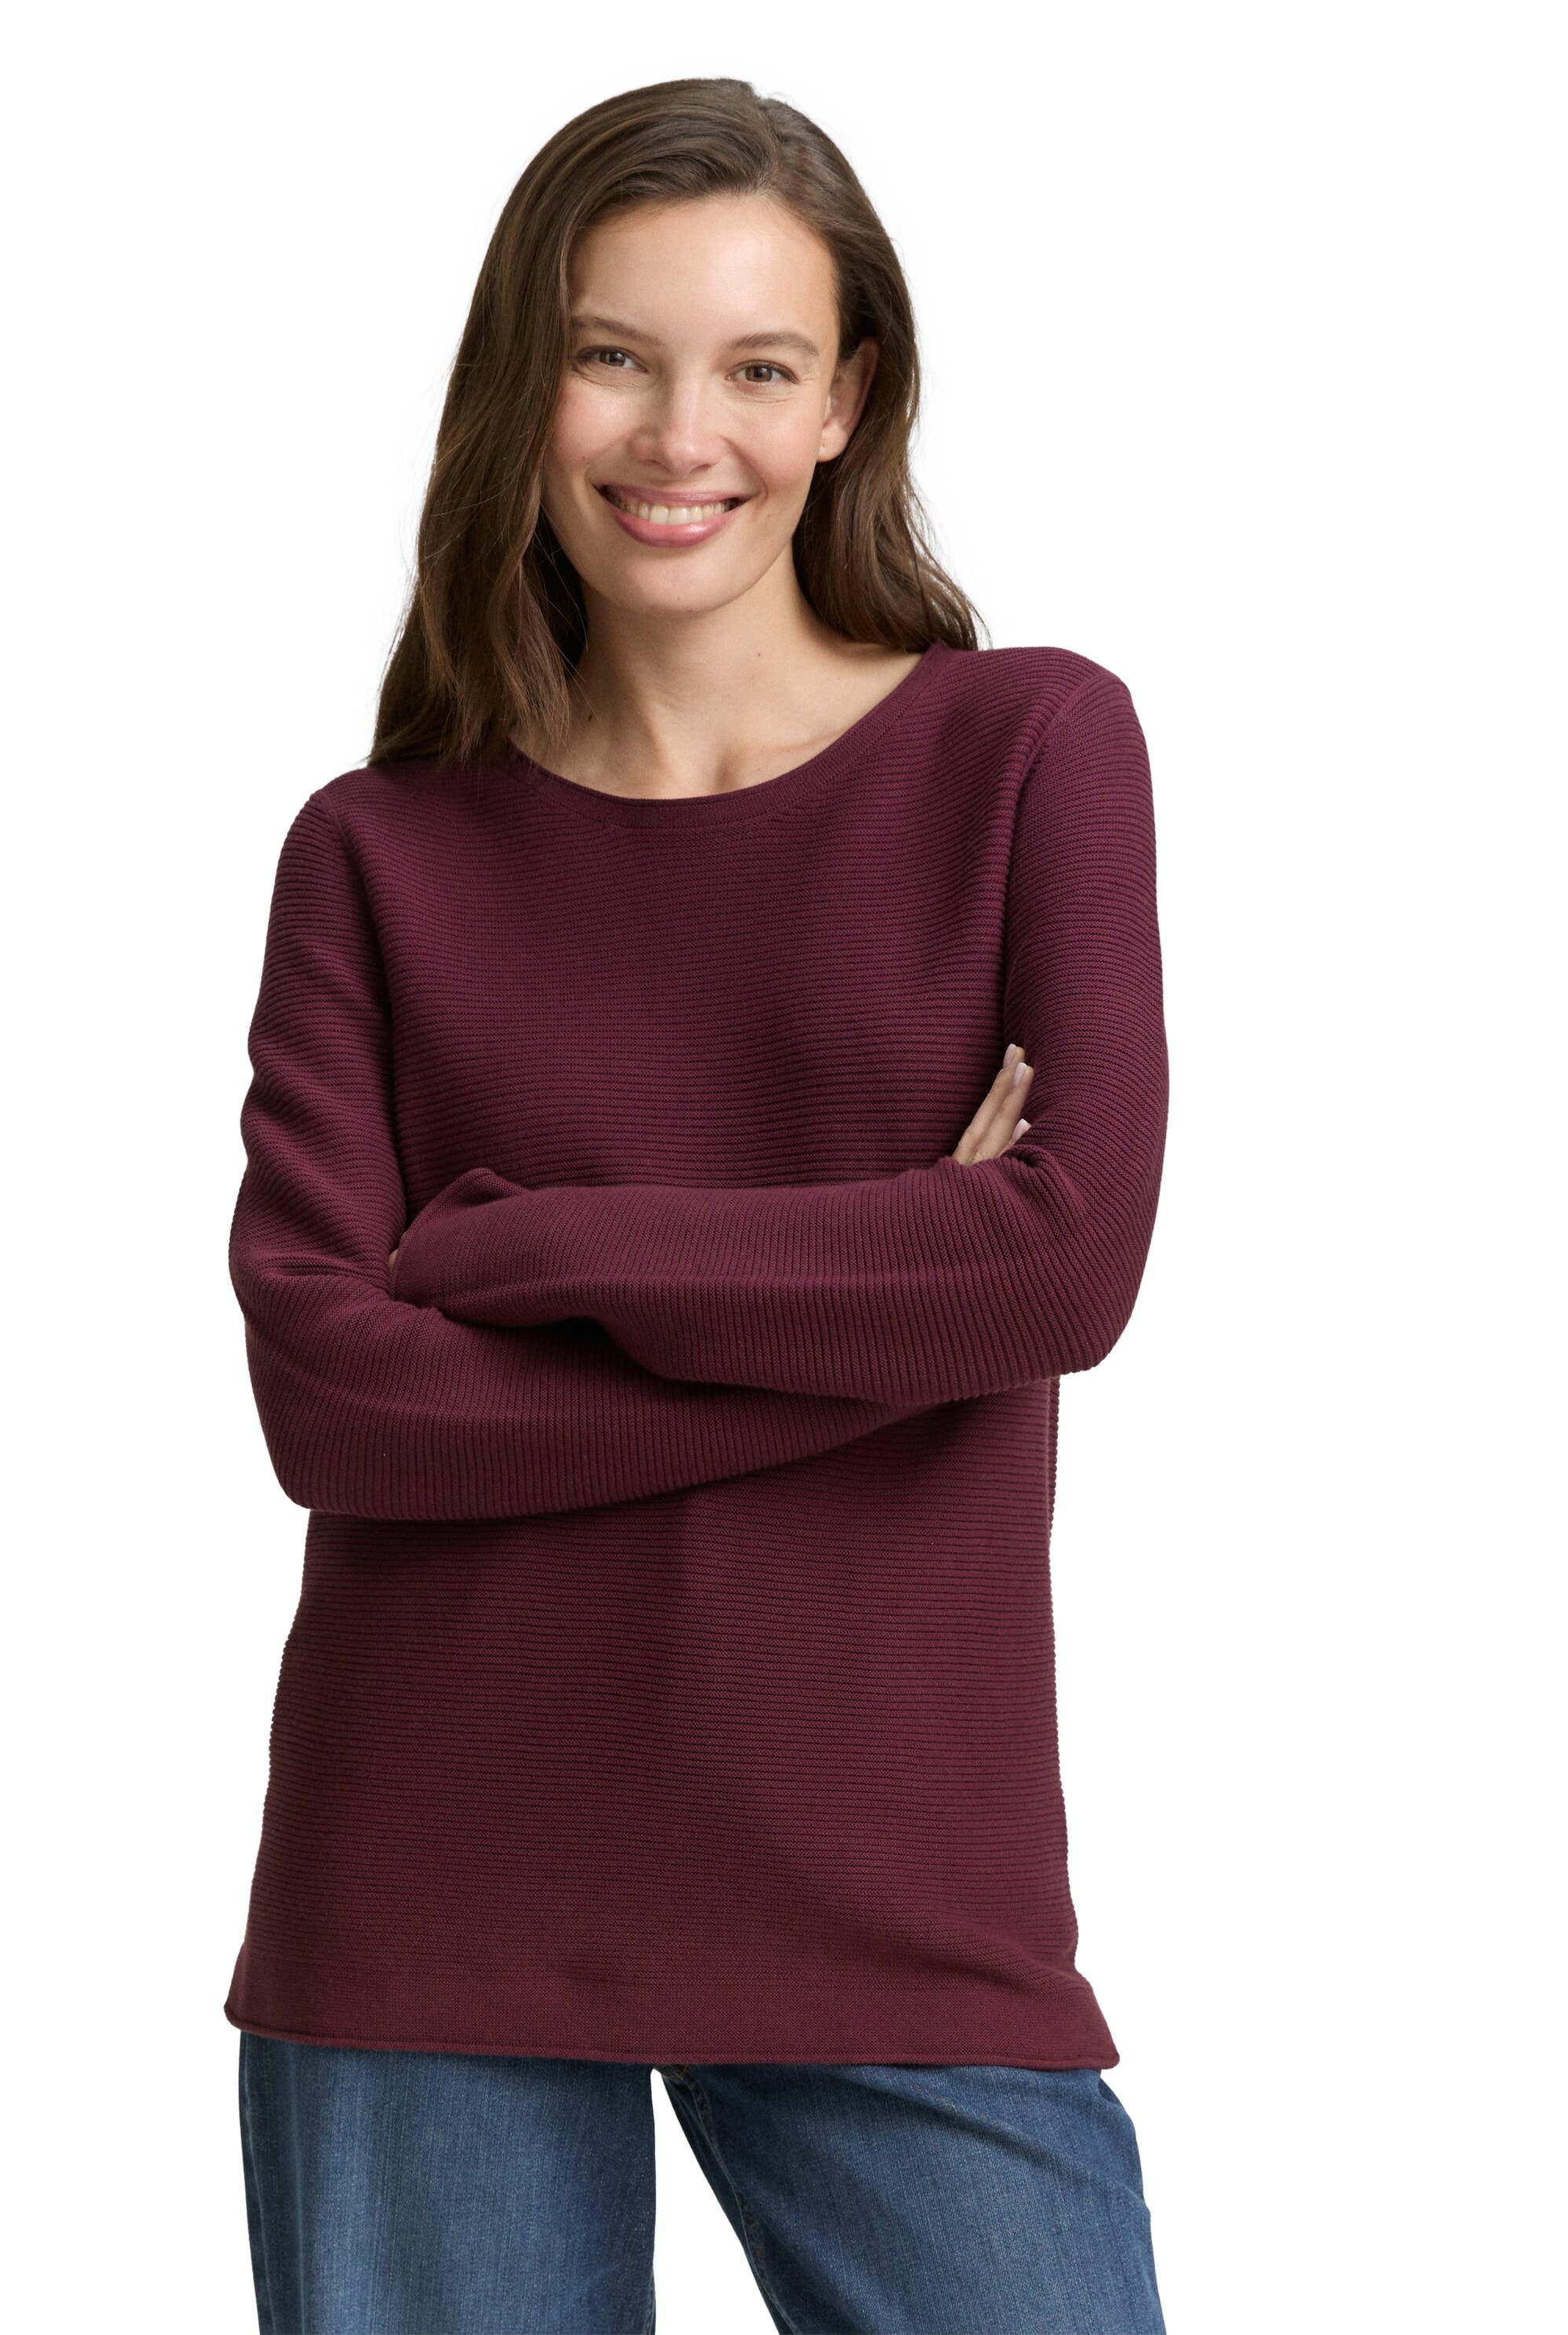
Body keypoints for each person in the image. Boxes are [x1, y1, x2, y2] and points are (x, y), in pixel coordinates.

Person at [226, 76, 1170, 2335]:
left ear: (849, 402)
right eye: (613, 355)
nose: (682, 435)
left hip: (894, 1869)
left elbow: (1065, 1266)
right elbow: (338, 1410)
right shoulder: (380, 849)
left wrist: (524, 1250)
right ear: (525, 383)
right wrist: (886, 1306)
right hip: (432, 1874)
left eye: (758, 364)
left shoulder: (1027, 751)